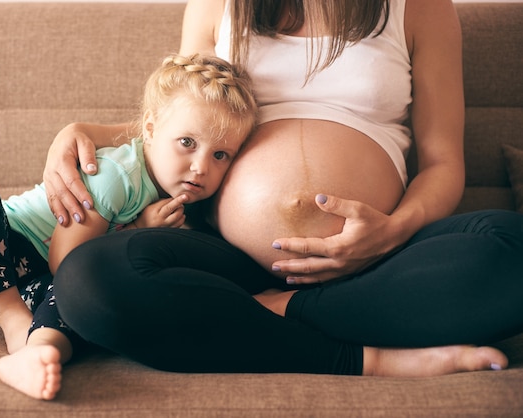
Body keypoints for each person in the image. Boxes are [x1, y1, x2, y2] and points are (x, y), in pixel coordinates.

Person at [44, 0, 523, 378]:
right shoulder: (218, 5)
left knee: (512, 249)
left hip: (379, 261)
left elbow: (442, 165)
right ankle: (362, 358)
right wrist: (82, 131)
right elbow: (177, 121)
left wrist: (392, 231)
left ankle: (274, 312)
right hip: (229, 262)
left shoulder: (419, 6)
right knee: (88, 279)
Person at [0, 53, 258, 400]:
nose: (200, 167)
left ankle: (37, 353)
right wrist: (136, 228)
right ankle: (12, 319)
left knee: (87, 301)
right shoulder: (119, 175)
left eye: (220, 155)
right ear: (150, 129)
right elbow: (64, 260)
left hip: (45, 286)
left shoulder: (187, 201)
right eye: (187, 143)